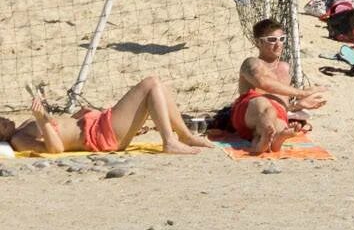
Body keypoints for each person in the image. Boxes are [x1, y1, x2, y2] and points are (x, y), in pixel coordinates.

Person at [2, 78, 213, 155]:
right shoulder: (19, 140)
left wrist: (79, 114)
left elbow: (67, 126)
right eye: (1, 125)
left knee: (159, 87)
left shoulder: (23, 126)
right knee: (150, 85)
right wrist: (41, 119)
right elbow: (55, 148)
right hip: (99, 135)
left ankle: (184, 136)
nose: (5, 120)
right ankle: (170, 141)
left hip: (98, 125)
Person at [233, 17, 326, 154]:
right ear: (258, 42)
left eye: (281, 39)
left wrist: (298, 105)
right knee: (265, 107)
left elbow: (282, 103)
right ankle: (269, 135)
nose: (278, 45)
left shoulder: (285, 68)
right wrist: (302, 93)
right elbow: (263, 83)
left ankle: (271, 140)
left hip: (273, 114)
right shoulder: (251, 63)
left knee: (279, 120)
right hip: (249, 111)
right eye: (271, 40)